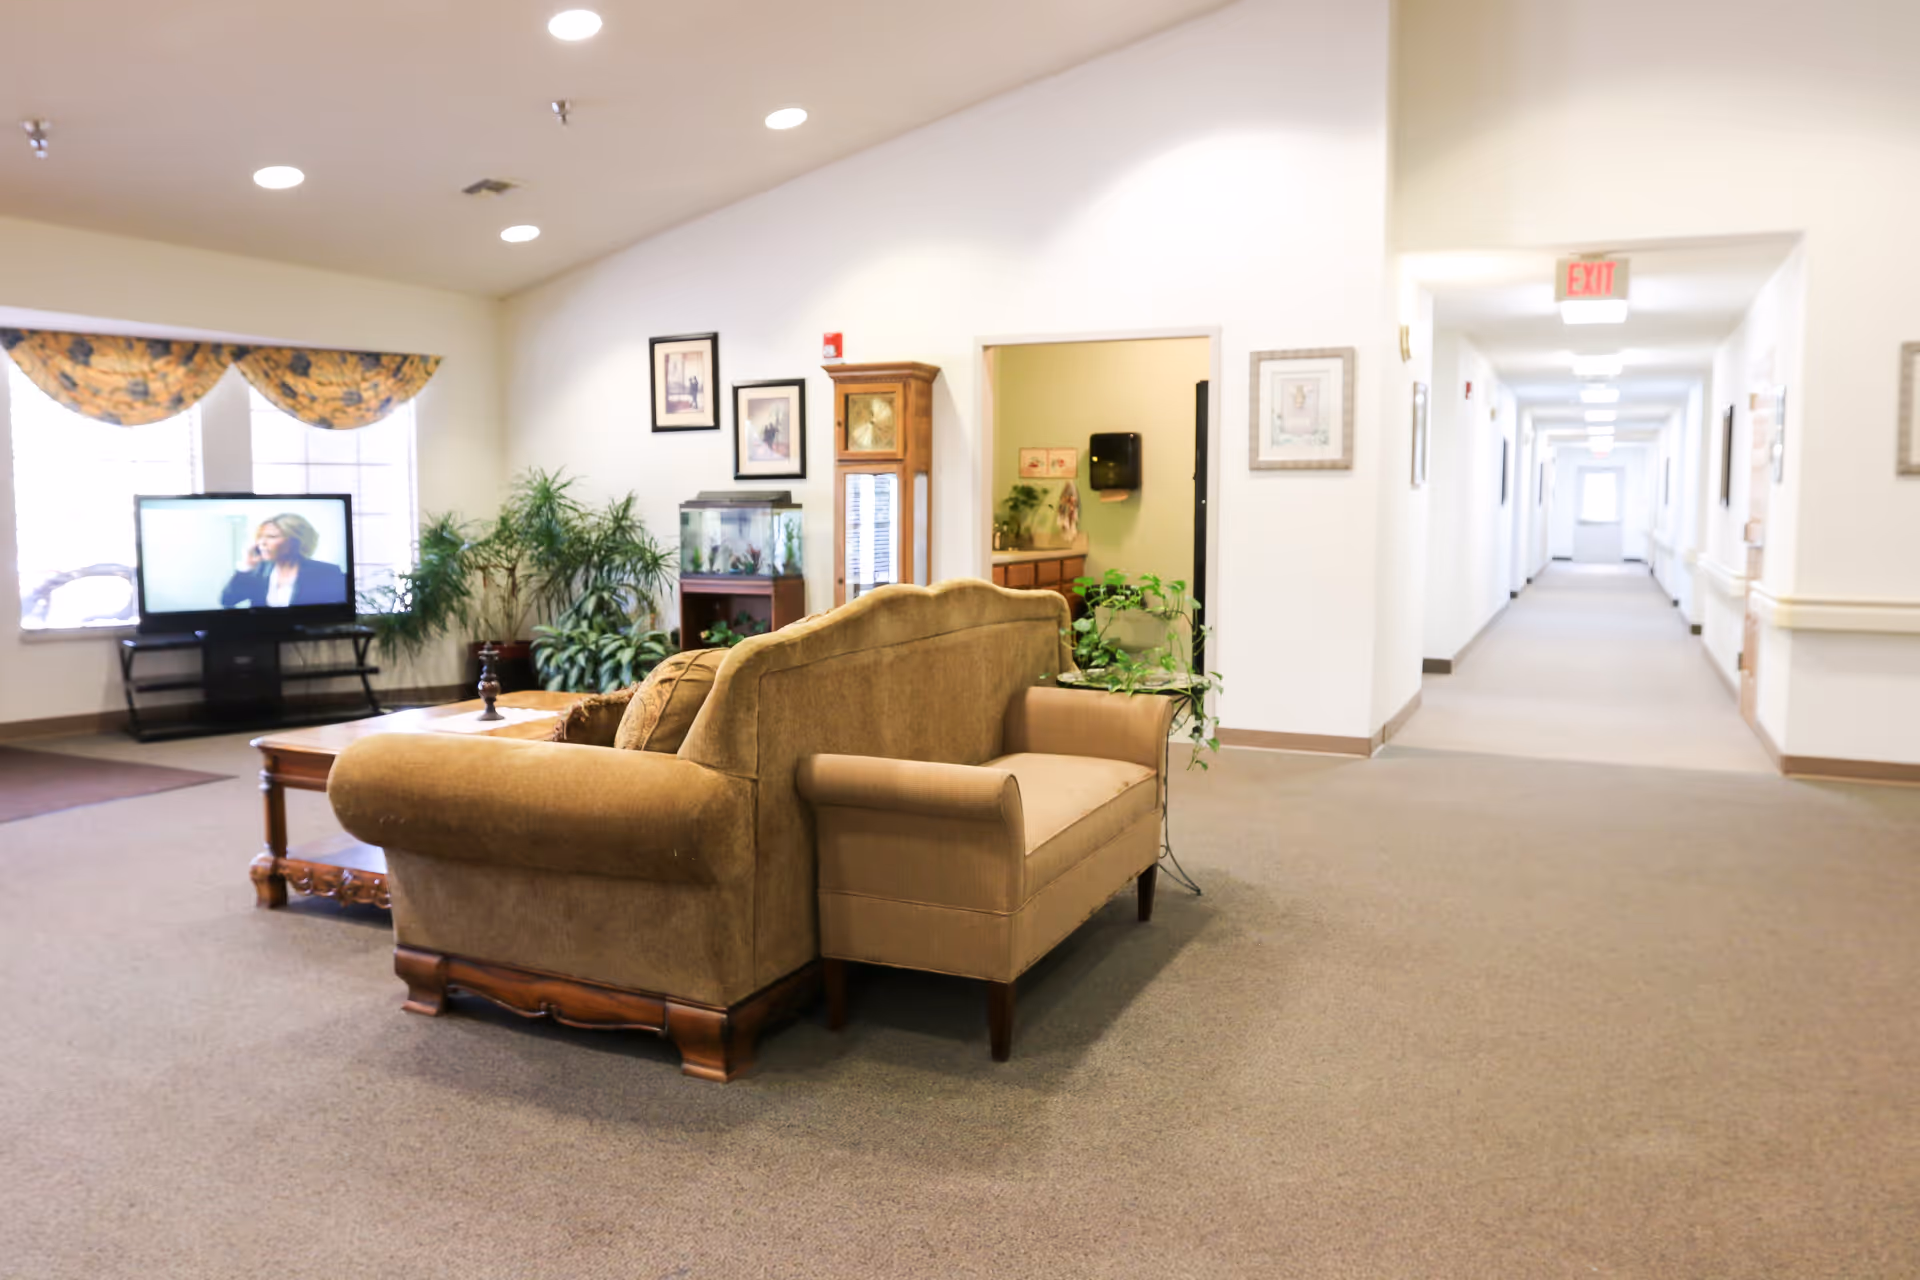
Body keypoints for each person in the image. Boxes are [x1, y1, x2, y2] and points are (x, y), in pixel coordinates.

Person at [219, 513, 348, 609]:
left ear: (295, 541)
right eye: (260, 537)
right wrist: (247, 566)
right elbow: (228, 600)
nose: (262, 543)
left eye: (271, 537)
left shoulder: (327, 572)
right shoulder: (257, 570)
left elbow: (331, 614)